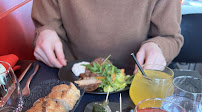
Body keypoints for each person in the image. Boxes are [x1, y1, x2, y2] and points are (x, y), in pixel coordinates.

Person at [31, 0, 183, 72]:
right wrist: (44, 32)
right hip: (69, 77)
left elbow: (170, 38)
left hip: (136, 79)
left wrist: (158, 46)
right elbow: (45, 26)